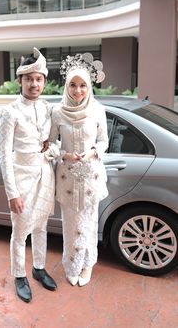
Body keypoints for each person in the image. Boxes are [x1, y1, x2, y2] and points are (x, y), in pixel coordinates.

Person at [0, 47, 58, 303]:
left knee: (41, 227)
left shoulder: (47, 108)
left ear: (44, 81)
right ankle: (20, 275)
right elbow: (3, 155)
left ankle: (39, 268)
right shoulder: (10, 112)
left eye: (39, 79)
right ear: (20, 80)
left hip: (46, 177)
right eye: (29, 78)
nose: (34, 84)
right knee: (20, 231)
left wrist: (51, 148)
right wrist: (12, 193)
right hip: (22, 182)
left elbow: (55, 144)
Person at [48, 53, 109, 287]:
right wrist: (64, 154)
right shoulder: (57, 112)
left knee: (89, 224)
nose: (78, 90)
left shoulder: (98, 110)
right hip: (66, 177)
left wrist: (93, 152)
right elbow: (51, 142)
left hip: (91, 177)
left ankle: (87, 265)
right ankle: (71, 265)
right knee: (70, 224)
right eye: (73, 85)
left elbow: (104, 141)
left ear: (89, 86)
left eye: (83, 85)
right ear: (66, 86)